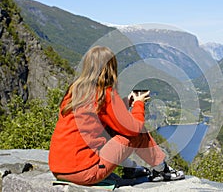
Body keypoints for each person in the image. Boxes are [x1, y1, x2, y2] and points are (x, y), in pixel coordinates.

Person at [48, 46, 184, 186]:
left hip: (59, 169)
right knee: (135, 135)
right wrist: (138, 104)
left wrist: (126, 103)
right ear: (111, 68)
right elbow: (134, 129)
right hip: (85, 172)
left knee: (113, 131)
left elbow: (104, 115)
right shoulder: (104, 93)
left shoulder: (75, 90)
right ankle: (162, 170)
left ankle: (132, 169)